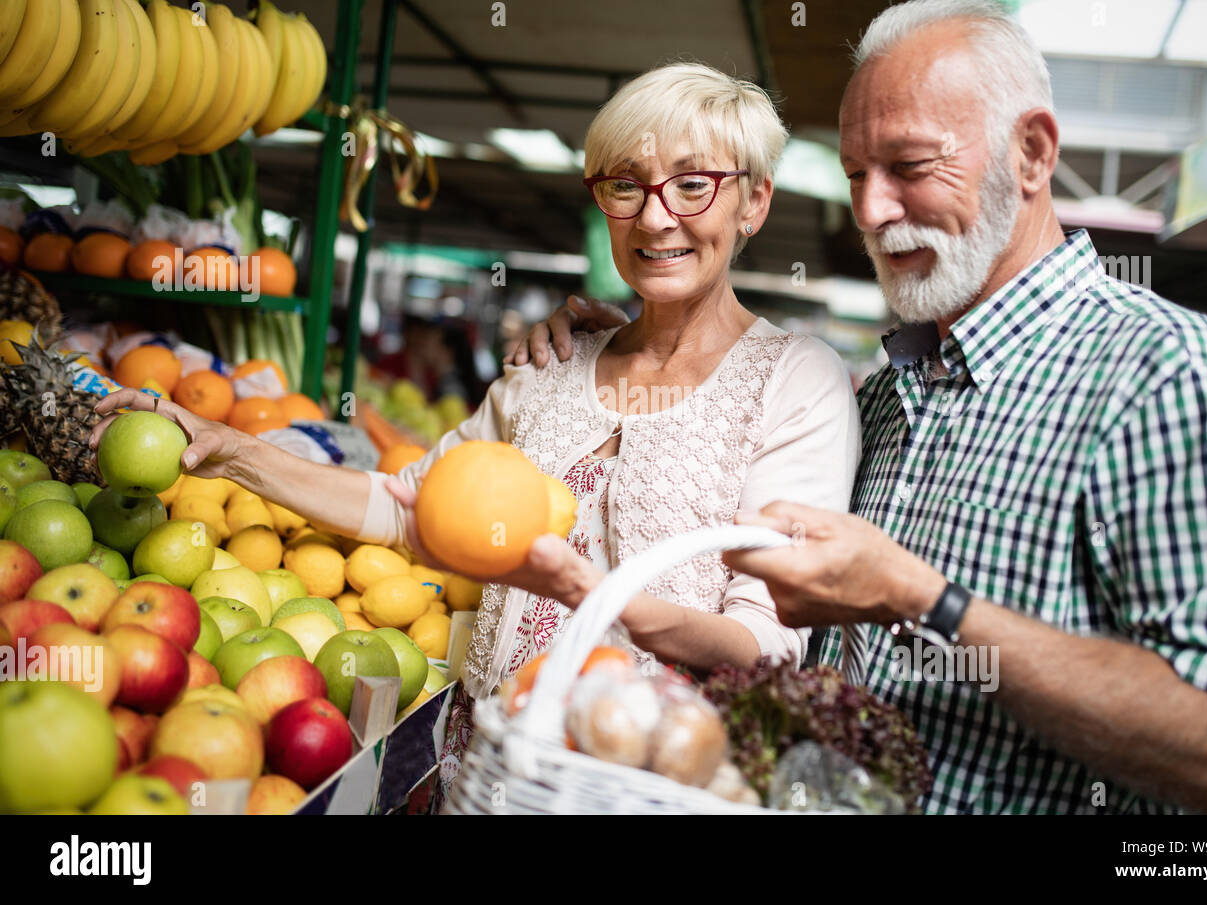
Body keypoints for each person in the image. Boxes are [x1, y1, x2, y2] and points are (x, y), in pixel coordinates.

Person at [510, 0, 1207, 814]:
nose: (874, 211)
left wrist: (924, 602)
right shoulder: (894, 392)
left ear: (1031, 153)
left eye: (912, 167)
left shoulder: (1171, 376)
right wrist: (626, 343)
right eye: (857, 174)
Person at [91, 62, 859, 800]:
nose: (656, 217)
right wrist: (231, 451)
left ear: (753, 202)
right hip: (483, 778)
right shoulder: (551, 368)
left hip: (644, 790)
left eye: (693, 186)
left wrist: (595, 596)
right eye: (626, 185)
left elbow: (765, 643)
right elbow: (406, 505)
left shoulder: (795, 381)